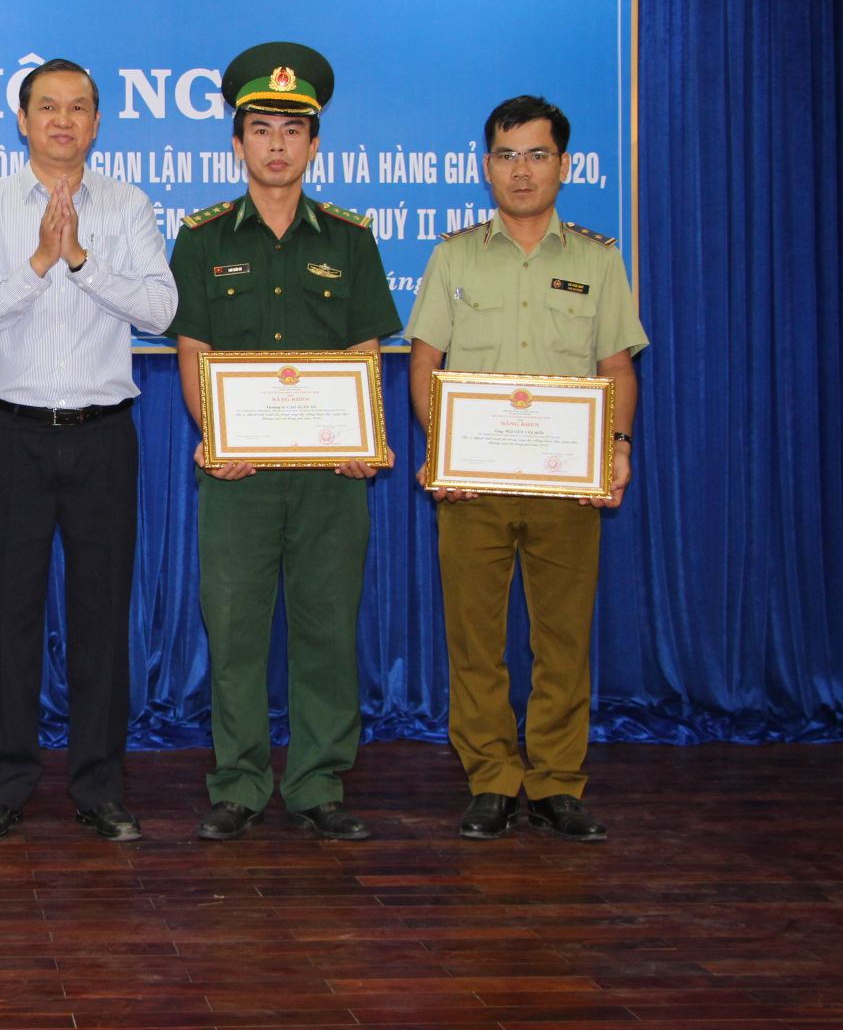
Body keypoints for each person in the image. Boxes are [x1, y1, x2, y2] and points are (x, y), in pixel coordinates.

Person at [168, 41, 401, 843]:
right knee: (234, 630)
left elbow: (366, 351)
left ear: (314, 144)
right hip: (237, 474)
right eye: (262, 129)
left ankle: (317, 782)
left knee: (326, 627)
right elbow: (193, 353)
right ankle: (238, 782)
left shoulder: (348, 239)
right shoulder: (202, 239)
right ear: (237, 142)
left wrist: (365, 436)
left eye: (292, 130)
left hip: (331, 475)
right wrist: (216, 436)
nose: (277, 144)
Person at [0, 58, 177, 844]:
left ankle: (99, 787)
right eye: (48, 107)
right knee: (8, 615)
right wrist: (40, 263)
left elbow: (162, 308)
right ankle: (4, 783)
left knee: (101, 618)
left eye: (78, 108)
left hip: (103, 434)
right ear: (22, 120)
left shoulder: (128, 205)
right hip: (12, 435)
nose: (63, 121)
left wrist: (82, 261)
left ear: (97, 123)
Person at [405, 94, 646, 843]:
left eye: (537, 155)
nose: (521, 171)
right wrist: (443, 447)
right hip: (472, 485)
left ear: (563, 165)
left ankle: (555, 782)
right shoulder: (453, 257)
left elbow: (616, 366)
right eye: (507, 156)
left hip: (565, 485)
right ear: (487, 166)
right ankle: (491, 778)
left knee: (563, 640)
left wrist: (617, 446)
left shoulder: (597, 260)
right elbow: (424, 362)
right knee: (475, 641)